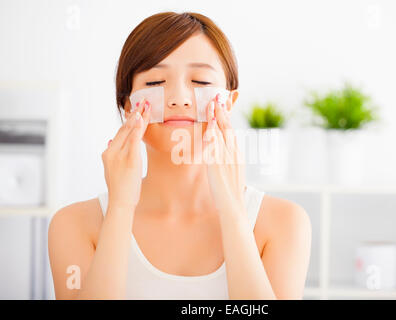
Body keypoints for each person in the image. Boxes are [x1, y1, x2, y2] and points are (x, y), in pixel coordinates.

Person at [48, 11, 311, 300]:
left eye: (200, 81)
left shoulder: (284, 223)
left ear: (230, 101)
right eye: (154, 83)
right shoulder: (74, 225)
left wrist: (233, 211)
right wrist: (121, 206)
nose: (179, 97)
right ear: (127, 105)